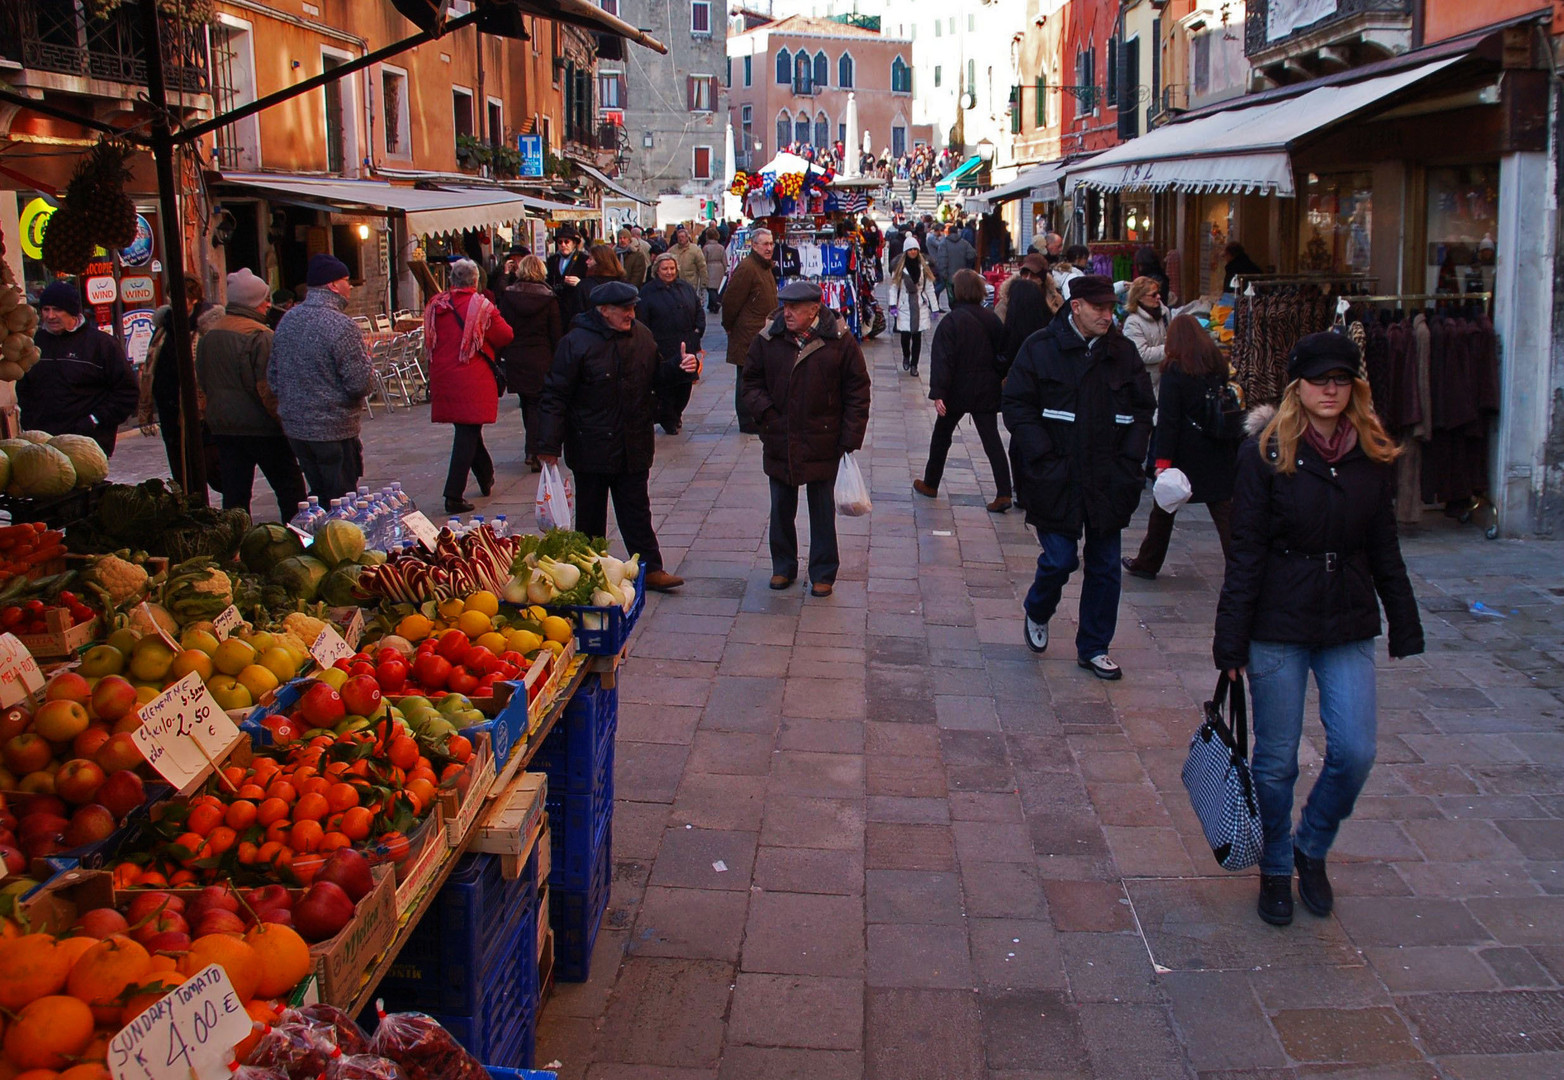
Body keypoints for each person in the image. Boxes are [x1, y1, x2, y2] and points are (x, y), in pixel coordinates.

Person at [1214, 331, 1422, 927]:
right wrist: (1230, 641)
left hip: (1347, 620)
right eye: (1317, 379)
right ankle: (1277, 864)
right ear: (1296, 387)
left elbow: (1384, 546)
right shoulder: (1265, 453)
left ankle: (1313, 843)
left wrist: (1403, 621)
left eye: (1340, 379)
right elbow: (1245, 552)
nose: (1329, 390)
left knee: (1355, 750)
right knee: (1275, 759)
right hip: (1278, 620)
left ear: (1353, 386)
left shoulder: (1371, 453)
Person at [1002, 275, 1155, 680]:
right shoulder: (1039, 348)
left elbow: (1143, 409)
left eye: (1111, 308)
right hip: (1056, 475)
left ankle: (1094, 646)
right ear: (1077, 306)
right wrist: (1042, 454)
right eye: (1100, 308)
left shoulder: (1123, 352)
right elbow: (1016, 404)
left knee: (1105, 566)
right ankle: (1038, 607)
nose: (1109, 315)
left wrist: (1131, 461)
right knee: (1060, 558)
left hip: (1109, 476)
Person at [538, 280, 684, 592]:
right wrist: (548, 444)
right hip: (590, 443)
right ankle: (587, 572)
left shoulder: (642, 336)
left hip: (634, 441)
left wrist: (680, 369)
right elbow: (555, 395)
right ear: (604, 311)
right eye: (624, 309)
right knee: (590, 515)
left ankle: (651, 567)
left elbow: (657, 376)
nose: (631, 313)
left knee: (637, 511)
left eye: (633, 307)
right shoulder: (576, 342)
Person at [741, 281, 871, 598]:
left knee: (822, 510)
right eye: (785, 306)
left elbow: (858, 390)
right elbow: (750, 382)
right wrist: (768, 415)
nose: (787, 313)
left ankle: (824, 572)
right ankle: (782, 567)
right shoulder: (768, 338)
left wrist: (850, 436)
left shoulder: (839, 340)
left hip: (823, 439)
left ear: (814, 309)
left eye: (794, 308)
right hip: (780, 435)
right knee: (781, 507)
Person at [1121, 314, 1241, 580]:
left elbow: (1169, 419)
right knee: (1225, 513)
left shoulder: (1175, 369)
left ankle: (1148, 562)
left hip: (1186, 452)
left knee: (1164, 508)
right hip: (1218, 448)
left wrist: (1162, 461)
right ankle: (1242, 564)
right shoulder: (1217, 364)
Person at [195, 268, 307, 516]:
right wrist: (286, 423)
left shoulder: (209, 335)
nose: (268, 305)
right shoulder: (260, 336)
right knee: (290, 489)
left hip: (224, 427)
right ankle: (302, 541)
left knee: (235, 494)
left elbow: (201, 382)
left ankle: (234, 545)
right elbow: (268, 389)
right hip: (261, 427)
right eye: (265, 299)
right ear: (254, 302)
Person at [268, 253, 374, 501]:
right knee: (342, 501)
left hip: (297, 428)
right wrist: (368, 366)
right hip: (333, 428)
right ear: (333, 285)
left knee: (317, 496)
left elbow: (273, 377)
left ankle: (318, 536)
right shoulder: (341, 325)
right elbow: (360, 384)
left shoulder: (287, 320)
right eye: (346, 280)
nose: (350, 286)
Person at [913, 269, 1012, 513]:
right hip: (985, 388)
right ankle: (1004, 492)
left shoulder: (951, 321)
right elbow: (1003, 355)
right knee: (992, 441)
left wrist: (939, 392)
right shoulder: (991, 319)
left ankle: (931, 482)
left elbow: (943, 359)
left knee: (941, 436)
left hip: (956, 390)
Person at [424, 259, 514, 514]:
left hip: (443, 376)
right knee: (467, 433)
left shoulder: (435, 304)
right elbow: (506, 335)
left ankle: (486, 476)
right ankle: (453, 494)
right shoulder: (481, 306)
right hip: (472, 376)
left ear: (452, 280)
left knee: (468, 429)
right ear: (475, 281)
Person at [22, 280, 139, 457]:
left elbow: (127, 393)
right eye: (46, 309)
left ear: (73, 311)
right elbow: (24, 389)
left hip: (87, 445)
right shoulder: (35, 344)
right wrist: (29, 422)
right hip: (44, 445)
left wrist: (94, 420)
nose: (51, 316)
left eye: (57, 309)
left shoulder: (101, 345)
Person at [139, 273, 214, 481]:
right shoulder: (164, 328)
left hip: (200, 410)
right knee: (179, 467)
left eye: (181, 298)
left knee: (205, 465)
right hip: (169, 406)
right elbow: (151, 365)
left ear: (195, 299)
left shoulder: (205, 328)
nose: (175, 304)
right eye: (171, 298)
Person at [496, 254, 564, 472]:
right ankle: (535, 449)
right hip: (541, 356)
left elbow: (503, 326)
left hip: (517, 356)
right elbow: (555, 332)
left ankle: (532, 448)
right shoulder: (549, 298)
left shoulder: (509, 296)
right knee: (540, 404)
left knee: (528, 403)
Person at [638, 252, 705, 435]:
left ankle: (676, 414)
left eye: (672, 268)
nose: (669, 272)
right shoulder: (648, 292)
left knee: (685, 385)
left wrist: (698, 330)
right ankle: (669, 418)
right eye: (665, 269)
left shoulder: (685, 288)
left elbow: (698, 309)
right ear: (657, 270)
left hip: (686, 344)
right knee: (667, 386)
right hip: (663, 346)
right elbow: (643, 320)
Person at [720, 227, 778, 434]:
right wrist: (729, 326)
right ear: (754, 246)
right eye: (765, 244)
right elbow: (730, 301)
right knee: (746, 377)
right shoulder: (747, 268)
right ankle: (747, 420)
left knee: (757, 377)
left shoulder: (765, 267)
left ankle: (757, 416)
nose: (769, 248)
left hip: (761, 332)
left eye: (771, 244)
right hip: (747, 334)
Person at [887, 237, 939, 376]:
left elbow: (929, 289)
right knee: (905, 335)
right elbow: (893, 287)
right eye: (910, 249)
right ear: (906, 251)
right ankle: (906, 355)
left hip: (920, 305)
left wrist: (934, 307)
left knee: (917, 336)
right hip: (904, 304)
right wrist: (892, 304)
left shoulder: (924, 268)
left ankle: (914, 365)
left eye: (915, 249)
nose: (913, 252)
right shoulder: (899, 268)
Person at [1122, 276, 1170, 391]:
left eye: (1158, 293)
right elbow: (1142, 354)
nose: (1158, 297)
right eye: (1153, 295)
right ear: (1140, 298)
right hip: (1147, 382)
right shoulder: (1133, 323)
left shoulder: (1164, 313)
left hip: (1165, 375)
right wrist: (1169, 349)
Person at [547, 226, 590, 318]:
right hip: (556, 307)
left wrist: (580, 282)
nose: (563, 245)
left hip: (576, 308)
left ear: (574, 243)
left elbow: (591, 283)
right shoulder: (552, 260)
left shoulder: (584, 260)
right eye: (560, 242)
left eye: (566, 242)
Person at [578, 245, 626, 313]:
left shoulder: (585, 286)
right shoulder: (624, 284)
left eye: (590, 259)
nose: (587, 262)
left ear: (600, 262)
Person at [671, 227, 705, 293]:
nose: (680, 239)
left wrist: (703, 283)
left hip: (691, 283)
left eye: (682, 236)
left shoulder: (695, 250)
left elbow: (702, 267)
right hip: (676, 284)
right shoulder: (672, 250)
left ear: (687, 237)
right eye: (679, 237)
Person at [701, 229, 727, 313]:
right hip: (720, 267)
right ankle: (711, 304)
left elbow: (703, 260)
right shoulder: (721, 247)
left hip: (710, 267)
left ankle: (715, 304)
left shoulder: (706, 247)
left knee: (711, 288)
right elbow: (724, 260)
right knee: (717, 288)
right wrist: (725, 268)